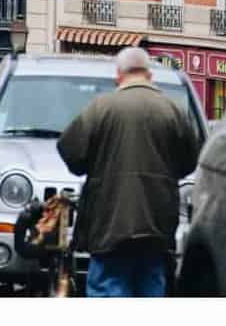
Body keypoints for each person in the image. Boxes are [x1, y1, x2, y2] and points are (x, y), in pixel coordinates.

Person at [55, 46, 201, 298]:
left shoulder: (101, 108)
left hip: (110, 222)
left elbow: (71, 152)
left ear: (119, 75)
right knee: (151, 282)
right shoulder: (173, 111)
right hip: (157, 223)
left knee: (109, 285)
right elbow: (189, 162)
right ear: (149, 75)